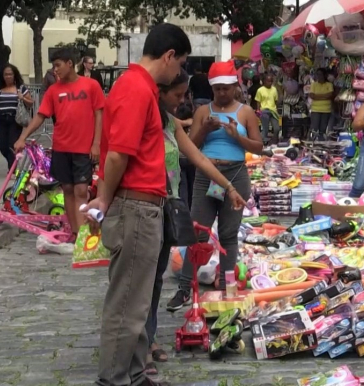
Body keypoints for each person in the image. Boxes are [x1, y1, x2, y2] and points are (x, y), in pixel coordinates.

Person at [83, 23, 191, 386]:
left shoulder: (139, 87)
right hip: (135, 206)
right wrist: (103, 198)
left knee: (138, 300)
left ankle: (132, 372)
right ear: (169, 56)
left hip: (143, 205)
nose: (178, 74)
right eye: (180, 65)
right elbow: (117, 156)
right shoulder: (136, 88)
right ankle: (113, 377)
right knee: (128, 301)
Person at [144, 71, 245, 376]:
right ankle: (140, 346)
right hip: (146, 205)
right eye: (177, 96)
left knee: (158, 277)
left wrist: (229, 185)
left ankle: (148, 340)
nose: (182, 101)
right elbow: (117, 157)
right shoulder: (155, 118)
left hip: (175, 201)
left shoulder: (172, 123)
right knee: (146, 278)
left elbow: (196, 156)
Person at [167, 60, 263, 311]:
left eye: (226, 88)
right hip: (206, 175)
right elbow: (190, 147)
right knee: (198, 233)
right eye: (217, 88)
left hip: (236, 174)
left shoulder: (245, 112)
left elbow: (258, 147)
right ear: (211, 89)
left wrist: (237, 137)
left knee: (229, 235)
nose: (222, 93)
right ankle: (185, 288)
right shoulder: (202, 112)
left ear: (235, 87)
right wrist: (206, 129)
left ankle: (226, 287)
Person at [14, 49, 104, 241]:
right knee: (68, 190)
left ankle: (83, 234)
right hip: (62, 147)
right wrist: (23, 137)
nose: (55, 70)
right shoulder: (53, 90)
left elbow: (99, 114)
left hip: (83, 149)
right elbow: (40, 116)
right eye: (53, 66)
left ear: (70, 63)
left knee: (82, 190)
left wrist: (96, 143)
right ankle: (74, 232)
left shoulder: (91, 85)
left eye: (58, 65)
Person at [0, 64, 33, 171]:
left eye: (10, 74)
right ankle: (13, 164)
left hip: (15, 120)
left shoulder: (21, 88)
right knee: (2, 145)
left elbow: (31, 103)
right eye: (6, 74)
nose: (8, 77)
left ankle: (12, 169)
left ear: (14, 75)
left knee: (12, 145)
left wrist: (22, 98)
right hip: (1, 120)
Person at [175, 104, 196, 207]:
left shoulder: (175, 126)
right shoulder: (192, 127)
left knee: (182, 192)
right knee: (191, 190)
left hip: (178, 161)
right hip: (191, 161)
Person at [309, 68, 334, 140]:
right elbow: (312, 96)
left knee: (322, 129)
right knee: (314, 128)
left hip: (326, 110)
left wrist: (317, 96)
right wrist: (324, 96)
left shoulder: (329, 85)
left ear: (324, 75)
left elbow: (330, 95)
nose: (318, 76)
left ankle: (320, 144)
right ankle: (312, 143)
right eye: (317, 74)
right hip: (315, 109)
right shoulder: (314, 85)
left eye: (320, 74)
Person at [255, 74, 280, 144]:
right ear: (264, 81)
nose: (270, 83)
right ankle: (261, 143)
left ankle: (274, 141)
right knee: (265, 129)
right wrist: (258, 110)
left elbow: (276, 100)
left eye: (271, 81)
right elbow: (258, 101)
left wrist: (276, 110)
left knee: (277, 129)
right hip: (264, 111)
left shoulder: (274, 89)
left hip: (273, 111)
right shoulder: (260, 90)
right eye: (268, 81)